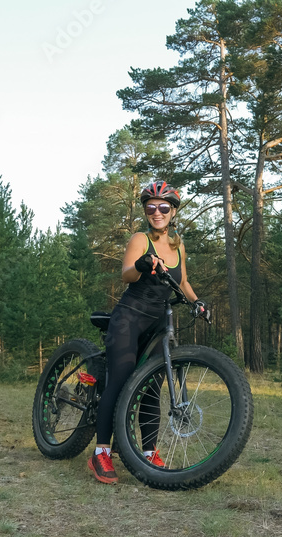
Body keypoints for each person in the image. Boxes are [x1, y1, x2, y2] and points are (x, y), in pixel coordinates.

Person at [88, 181, 211, 484]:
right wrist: (143, 265)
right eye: (150, 207)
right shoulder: (140, 238)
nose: (157, 212)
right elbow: (126, 273)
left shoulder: (178, 245)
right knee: (119, 381)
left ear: (173, 211)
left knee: (151, 389)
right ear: (146, 211)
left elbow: (182, 283)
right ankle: (101, 453)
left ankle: (148, 452)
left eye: (163, 207)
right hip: (129, 318)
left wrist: (198, 303)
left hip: (158, 323)